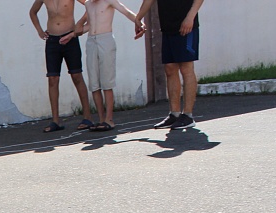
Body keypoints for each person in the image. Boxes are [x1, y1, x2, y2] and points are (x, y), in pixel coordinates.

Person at [134, 0, 205, 129]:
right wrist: (138, 18)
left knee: (186, 68)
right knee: (170, 69)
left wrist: (190, 17)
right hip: (168, 27)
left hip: (186, 25)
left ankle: (188, 116)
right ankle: (174, 114)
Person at [76, 0, 143, 131]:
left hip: (105, 39)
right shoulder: (89, 4)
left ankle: (109, 119)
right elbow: (84, 27)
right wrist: (77, 27)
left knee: (107, 82)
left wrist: (140, 23)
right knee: (94, 83)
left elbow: (126, 12)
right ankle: (101, 119)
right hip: (91, 40)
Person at [29, 0, 95, 133]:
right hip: (52, 40)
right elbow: (33, 12)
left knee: (77, 76)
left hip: (70, 38)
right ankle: (55, 120)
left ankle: (87, 117)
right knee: (53, 79)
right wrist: (40, 31)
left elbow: (91, 5)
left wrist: (80, 22)